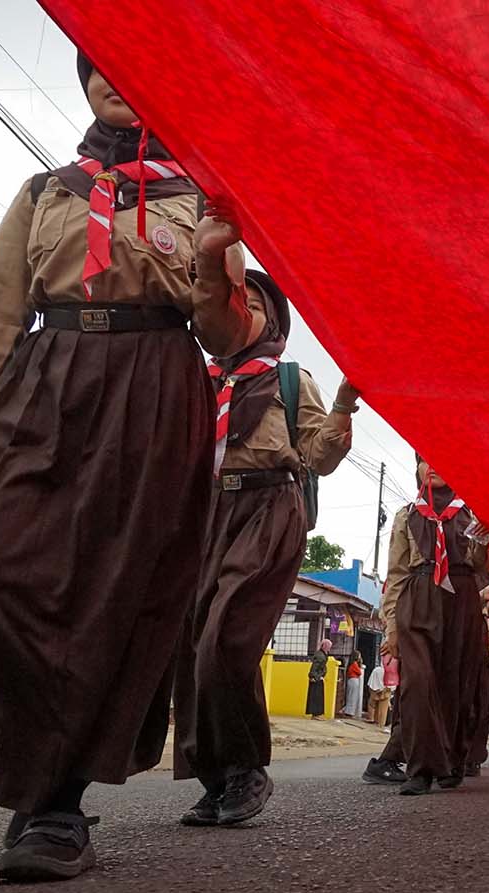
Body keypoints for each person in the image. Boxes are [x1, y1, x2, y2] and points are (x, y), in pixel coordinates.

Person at [0, 54, 255, 882]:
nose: (116, 79)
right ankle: (28, 769)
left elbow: (228, 335)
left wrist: (212, 262)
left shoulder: (203, 197)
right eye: (100, 66)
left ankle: (56, 805)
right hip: (44, 380)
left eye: (138, 68)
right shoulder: (45, 193)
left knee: (113, 592)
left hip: (154, 390)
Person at [171, 268, 355, 827]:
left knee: (226, 638)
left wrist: (344, 408)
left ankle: (248, 768)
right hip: (207, 514)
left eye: (249, 301)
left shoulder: (289, 380)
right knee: (196, 644)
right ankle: (218, 777)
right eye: (228, 299)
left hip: (269, 509)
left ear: (271, 319)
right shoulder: (195, 378)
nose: (236, 310)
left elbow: (318, 456)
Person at [362, 460, 489, 795]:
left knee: (456, 685)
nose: (432, 466)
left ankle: (453, 761)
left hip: (461, 599)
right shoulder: (407, 515)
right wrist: (391, 625)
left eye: (439, 457)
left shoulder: (472, 512)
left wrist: (483, 539)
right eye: (423, 460)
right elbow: (397, 572)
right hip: (417, 597)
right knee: (417, 682)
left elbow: (482, 567)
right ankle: (420, 769)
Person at [307, 638, 331, 720]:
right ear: (324, 646)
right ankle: (315, 714)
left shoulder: (322, 654)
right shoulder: (320, 655)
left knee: (318, 696)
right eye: (328, 646)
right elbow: (315, 666)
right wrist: (313, 676)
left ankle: (317, 714)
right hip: (316, 678)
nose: (329, 648)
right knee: (316, 696)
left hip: (318, 677)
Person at [366, 658, 391, 728]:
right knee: (383, 710)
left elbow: (371, 681)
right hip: (385, 691)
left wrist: (372, 689)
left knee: (372, 705)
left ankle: (372, 719)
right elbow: (391, 683)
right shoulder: (389, 670)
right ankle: (381, 724)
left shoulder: (376, 670)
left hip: (375, 690)